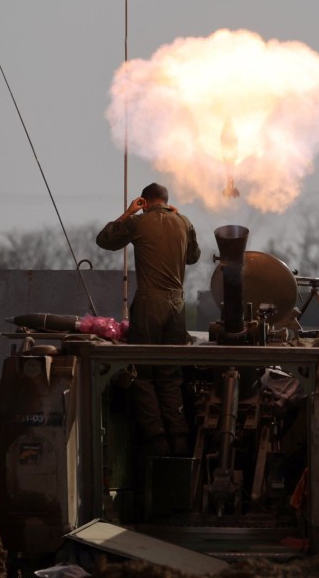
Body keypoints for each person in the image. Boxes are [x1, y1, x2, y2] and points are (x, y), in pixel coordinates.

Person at [96, 183, 201, 457]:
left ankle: (157, 442)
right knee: (170, 375)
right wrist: (178, 219)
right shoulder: (184, 221)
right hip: (177, 307)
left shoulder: (138, 223)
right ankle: (179, 440)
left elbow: (104, 240)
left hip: (149, 305)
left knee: (143, 375)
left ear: (145, 201)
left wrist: (128, 213)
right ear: (167, 201)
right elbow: (193, 257)